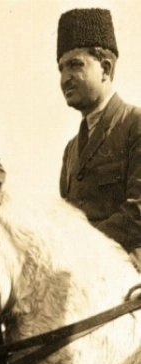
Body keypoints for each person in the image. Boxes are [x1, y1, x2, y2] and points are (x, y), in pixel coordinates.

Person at [56, 8, 141, 267]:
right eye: (61, 68)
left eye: (75, 65)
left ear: (105, 68)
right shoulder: (71, 150)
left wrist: (82, 246)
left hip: (129, 276)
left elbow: (138, 212)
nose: (65, 78)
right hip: (81, 275)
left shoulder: (134, 125)